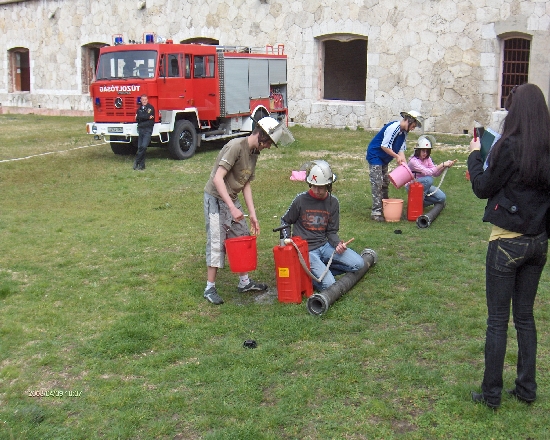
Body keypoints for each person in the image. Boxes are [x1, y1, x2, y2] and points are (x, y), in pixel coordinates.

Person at [468, 83, 550, 409]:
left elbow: (482, 187)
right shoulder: (545, 148)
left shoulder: (509, 146)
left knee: (498, 320)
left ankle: (491, 394)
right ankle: (526, 389)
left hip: (507, 242)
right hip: (538, 243)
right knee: (525, 317)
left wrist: (475, 155)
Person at [203, 117, 294, 305]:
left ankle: (244, 282)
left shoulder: (254, 153)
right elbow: (217, 179)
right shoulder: (235, 147)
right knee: (217, 241)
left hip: (231, 198)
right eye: (268, 142)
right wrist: (231, 207)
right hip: (215, 198)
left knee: (241, 235)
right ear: (261, 135)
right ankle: (209, 288)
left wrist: (253, 214)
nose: (268, 147)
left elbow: (245, 184)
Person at [280, 160, 365, 291]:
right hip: (306, 250)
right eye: (313, 186)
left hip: (324, 246)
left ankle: (320, 270)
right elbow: (285, 221)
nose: (316, 190)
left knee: (358, 264)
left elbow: (331, 231)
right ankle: (312, 274)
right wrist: (287, 241)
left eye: (320, 187)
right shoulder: (300, 200)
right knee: (329, 284)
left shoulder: (333, 202)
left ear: (328, 186)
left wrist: (337, 244)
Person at [366, 110, 424, 221]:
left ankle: (385, 206)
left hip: (384, 157)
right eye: (413, 126)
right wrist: (396, 156)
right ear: (409, 121)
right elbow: (384, 146)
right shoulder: (394, 128)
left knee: (385, 182)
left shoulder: (404, 133)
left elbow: (401, 149)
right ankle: (376, 212)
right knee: (377, 182)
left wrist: (406, 168)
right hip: (375, 155)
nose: (413, 128)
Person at [406, 135, 456, 207]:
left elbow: (435, 173)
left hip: (423, 185)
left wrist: (444, 167)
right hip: (412, 185)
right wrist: (442, 164)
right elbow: (428, 172)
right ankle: (418, 201)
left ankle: (419, 202)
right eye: (423, 151)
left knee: (442, 197)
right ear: (418, 150)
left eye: (427, 151)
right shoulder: (413, 161)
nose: (425, 153)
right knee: (429, 179)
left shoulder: (427, 159)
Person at [133, 94, 155, 170]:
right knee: (140, 147)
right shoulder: (139, 109)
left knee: (144, 146)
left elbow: (149, 119)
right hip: (141, 129)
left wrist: (141, 117)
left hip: (148, 130)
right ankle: (142, 165)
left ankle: (137, 161)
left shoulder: (150, 108)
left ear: (147, 100)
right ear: (141, 100)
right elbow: (137, 118)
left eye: (145, 100)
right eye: (143, 100)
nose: (144, 101)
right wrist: (147, 117)